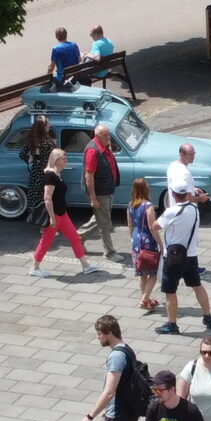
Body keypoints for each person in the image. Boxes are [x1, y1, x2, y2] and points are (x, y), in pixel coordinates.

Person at [28, 152, 100, 278]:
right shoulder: (50, 176)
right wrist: (52, 218)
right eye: (63, 159)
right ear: (56, 160)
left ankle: (86, 266)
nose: (66, 160)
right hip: (55, 215)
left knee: (75, 238)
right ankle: (35, 267)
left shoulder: (57, 174)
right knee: (46, 241)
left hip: (62, 214)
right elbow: (47, 198)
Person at [154, 188, 211, 335]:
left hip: (174, 256)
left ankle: (172, 324)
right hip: (191, 254)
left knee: (170, 291)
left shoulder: (171, 211)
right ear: (186, 194)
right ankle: (208, 317)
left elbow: (155, 226)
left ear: (173, 194)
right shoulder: (194, 210)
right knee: (197, 286)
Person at [83, 123, 122, 259]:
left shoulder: (105, 146)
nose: (108, 137)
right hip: (100, 192)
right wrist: (93, 198)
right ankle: (109, 252)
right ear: (97, 136)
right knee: (105, 223)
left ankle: (78, 236)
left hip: (107, 189)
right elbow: (89, 176)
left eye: (108, 134)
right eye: (105, 135)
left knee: (100, 217)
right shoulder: (93, 151)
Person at [127, 178, 161, 314]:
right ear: (146, 189)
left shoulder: (130, 205)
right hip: (148, 242)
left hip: (136, 241)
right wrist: (161, 244)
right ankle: (144, 299)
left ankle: (146, 301)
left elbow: (130, 225)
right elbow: (152, 227)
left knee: (142, 274)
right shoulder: (148, 206)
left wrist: (133, 239)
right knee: (153, 273)